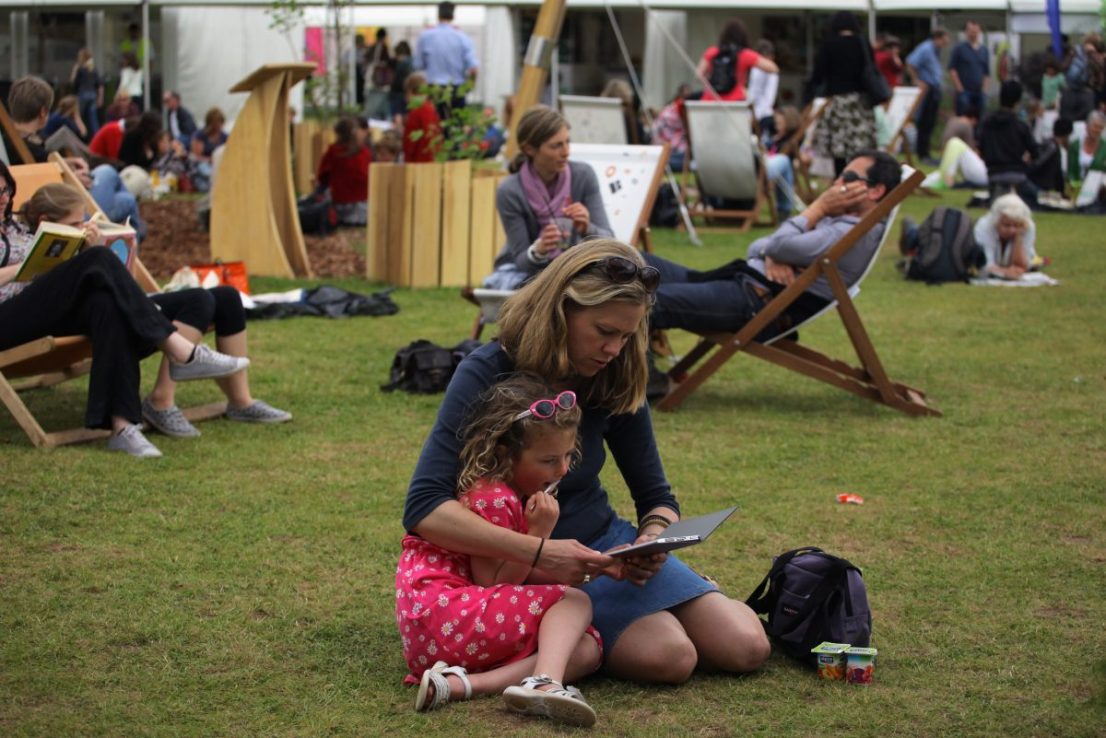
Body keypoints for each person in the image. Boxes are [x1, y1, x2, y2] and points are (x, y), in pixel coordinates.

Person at [405, 238, 771, 685]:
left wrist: (651, 542)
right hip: (521, 567)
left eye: (627, 336)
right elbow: (425, 508)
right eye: (604, 331)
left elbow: (656, 497)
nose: (614, 348)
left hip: (605, 548)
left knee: (746, 646)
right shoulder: (487, 371)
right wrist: (541, 551)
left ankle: (689, 590)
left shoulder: (614, 373)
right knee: (670, 657)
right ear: (561, 312)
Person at [0, 165, 249, 457]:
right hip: (7, 318)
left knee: (105, 302)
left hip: (44, 309)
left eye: (5, 190)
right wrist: (24, 267)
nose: (2, 198)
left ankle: (123, 427)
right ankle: (180, 350)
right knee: (98, 259)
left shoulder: (18, 228)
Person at [397, 374, 601, 726]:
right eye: (549, 460)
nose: (563, 469)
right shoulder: (493, 497)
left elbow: (507, 579)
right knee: (574, 603)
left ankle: (458, 685)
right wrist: (539, 536)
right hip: (448, 617)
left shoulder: (508, 494)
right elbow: (491, 583)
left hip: (433, 634)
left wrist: (594, 565)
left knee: (585, 649)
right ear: (505, 453)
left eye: (568, 455)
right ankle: (545, 683)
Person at [21, 182, 291, 435]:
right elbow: (65, 295)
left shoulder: (75, 241)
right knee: (197, 300)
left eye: (83, 221)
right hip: (89, 316)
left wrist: (122, 251)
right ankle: (164, 394)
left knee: (226, 297)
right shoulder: (32, 250)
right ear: (46, 221)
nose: (82, 228)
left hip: (123, 302)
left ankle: (240, 401)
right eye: (75, 224)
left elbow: (121, 283)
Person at [643, 151, 902, 336]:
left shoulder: (847, 232)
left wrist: (817, 208)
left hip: (754, 303)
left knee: (639, 302)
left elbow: (777, 245)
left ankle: (644, 382)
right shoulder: (838, 220)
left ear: (875, 191)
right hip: (740, 283)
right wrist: (773, 254)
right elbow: (759, 246)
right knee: (634, 262)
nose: (836, 183)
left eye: (848, 177)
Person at [482, 105, 613, 291]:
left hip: (578, 268)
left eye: (567, 142)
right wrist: (539, 249)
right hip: (530, 275)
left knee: (645, 266)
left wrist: (587, 228)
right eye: (556, 146)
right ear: (529, 149)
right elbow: (521, 261)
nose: (566, 152)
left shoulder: (583, 176)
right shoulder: (510, 191)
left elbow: (609, 243)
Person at [809, 12, 878, 176]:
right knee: (860, 145)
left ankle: (841, 178)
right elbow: (871, 68)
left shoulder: (829, 45)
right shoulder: (862, 43)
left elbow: (818, 74)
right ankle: (860, 176)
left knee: (838, 147)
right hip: (860, 102)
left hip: (838, 101)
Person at [413, 1, 479, 117]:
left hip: (433, 89)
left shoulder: (426, 36)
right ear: (453, 15)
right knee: (456, 125)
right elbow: (474, 69)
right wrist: (468, 88)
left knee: (434, 124)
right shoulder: (463, 38)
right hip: (457, 90)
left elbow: (418, 65)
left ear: (438, 15)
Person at [978, 80, 1038, 199]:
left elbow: (981, 148)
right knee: (1037, 196)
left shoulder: (986, 123)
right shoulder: (1020, 125)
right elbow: (1035, 152)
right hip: (1017, 175)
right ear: (1017, 101)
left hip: (994, 175)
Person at [695, 19, 778, 102]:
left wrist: (710, 84)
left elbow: (698, 75)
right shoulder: (744, 54)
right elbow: (773, 68)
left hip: (711, 99)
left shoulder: (712, 51)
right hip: (735, 100)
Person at [316, 116, 371, 226]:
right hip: (363, 208)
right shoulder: (364, 152)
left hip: (338, 205)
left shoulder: (333, 151)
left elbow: (322, 176)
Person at [906, 27, 950, 163]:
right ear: (937, 38)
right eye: (944, 39)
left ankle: (926, 153)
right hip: (927, 89)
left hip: (934, 89)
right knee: (925, 122)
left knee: (930, 122)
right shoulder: (926, 48)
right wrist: (916, 80)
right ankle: (922, 154)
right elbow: (910, 62)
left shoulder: (935, 50)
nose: (946, 42)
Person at [972, 193, 1036, 279]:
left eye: (1016, 225)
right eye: (1006, 225)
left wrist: (1018, 238)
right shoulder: (984, 226)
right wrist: (1005, 272)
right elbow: (985, 265)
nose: (1012, 230)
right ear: (996, 222)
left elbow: (1022, 266)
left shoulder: (1028, 226)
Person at [922, 106, 987, 189]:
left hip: (945, 152)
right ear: (974, 119)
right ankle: (947, 178)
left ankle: (945, 178)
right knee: (955, 143)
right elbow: (970, 147)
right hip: (953, 152)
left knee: (955, 144)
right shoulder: (967, 126)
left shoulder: (953, 120)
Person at [765, 105, 803, 222]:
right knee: (783, 160)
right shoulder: (772, 138)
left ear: (789, 121)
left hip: (768, 170)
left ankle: (784, 211)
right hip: (764, 169)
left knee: (784, 160)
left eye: (779, 123)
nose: (776, 125)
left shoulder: (789, 140)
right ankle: (784, 211)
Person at [948, 21, 990, 116]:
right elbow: (952, 69)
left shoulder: (984, 50)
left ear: (979, 32)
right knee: (964, 117)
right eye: (971, 31)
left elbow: (986, 72)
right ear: (966, 32)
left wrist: (984, 90)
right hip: (964, 92)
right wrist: (959, 89)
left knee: (980, 118)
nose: (973, 34)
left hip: (979, 92)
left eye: (976, 31)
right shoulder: (959, 49)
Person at [401, 72, 441, 164]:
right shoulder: (432, 110)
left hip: (418, 164)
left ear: (410, 92)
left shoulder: (415, 113)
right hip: (434, 162)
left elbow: (409, 144)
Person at [1029, 116, 1072, 194]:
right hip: (1040, 188)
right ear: (1066, 135)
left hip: (1043, 188)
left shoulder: (1050, 145)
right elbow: (1037, 164)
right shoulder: (1052, 147)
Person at [747, 39, 780, 135]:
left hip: (763, 115)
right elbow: (752, 93)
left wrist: (756, 116)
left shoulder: (772, 72)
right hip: (751, 113)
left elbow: (769, 97)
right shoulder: (754, 69)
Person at [70, 48, 103, 136]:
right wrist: (100, 98)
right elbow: (99, 85)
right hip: (92, 94)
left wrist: (74, 70)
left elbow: (73, 81)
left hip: (82, 94)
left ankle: (77, 134)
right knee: (93, 119)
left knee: (78, 116)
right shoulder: (93, 69)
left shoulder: (80, 68)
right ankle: (97, 136)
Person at [1068, 110, 1106, 184]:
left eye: (1101, 128)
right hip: (1076, 186)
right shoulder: (1074, 146)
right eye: (1095, 126)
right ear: (1087, 126)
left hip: (1099, 187)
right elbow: (1070, 172)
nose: (1097, 130)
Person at [364, 28, 393, 121]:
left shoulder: (372, 47)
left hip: (371, 78)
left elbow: (366, 59)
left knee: (371, 102)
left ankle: (371, 118)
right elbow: (388, 61)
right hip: (380, 80)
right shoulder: (384, 47)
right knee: (381, 101)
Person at [389, 40, 414, 120]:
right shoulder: (412, 61)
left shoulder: (402, 64)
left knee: (397, 116)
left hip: (399, 95)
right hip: (406, 94)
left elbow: (397, 82)